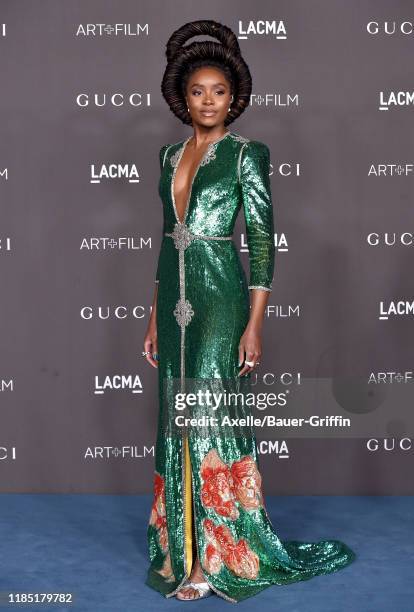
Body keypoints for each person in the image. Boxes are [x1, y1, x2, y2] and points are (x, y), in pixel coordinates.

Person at [142, 19, 356, 603]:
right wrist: (156, 313)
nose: (209, 101)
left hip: (222, 298)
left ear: (234, 97)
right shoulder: (168, 155)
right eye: (197, 91)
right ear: (181, 98)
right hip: (176, 300)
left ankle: (216, 559)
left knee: (209, 412)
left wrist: (254, 323)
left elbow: (261, 241)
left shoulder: (246, 155)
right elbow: (168, 239)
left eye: (219, 91)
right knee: (176, 419)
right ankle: (180, 548)